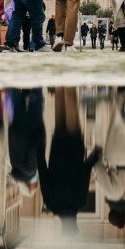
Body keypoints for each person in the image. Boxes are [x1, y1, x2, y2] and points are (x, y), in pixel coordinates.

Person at [38, 87, 101, 232]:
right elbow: (42, 170)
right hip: (57, 148)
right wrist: (41, 147)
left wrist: (95, 155)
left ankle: (68, 79)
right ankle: (59, 82)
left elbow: (84, 173)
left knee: (71, 104)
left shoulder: (80, 202)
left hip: (74, 147)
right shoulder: (50, 202)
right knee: (59, 108)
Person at [95, 87, 125, 228]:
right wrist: (97, 158)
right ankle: (122, 93)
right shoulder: (110, 193)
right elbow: (99, 170)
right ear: (112, 212)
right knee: (117, 122)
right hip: (115, 157)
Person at [7, 88, 45, 195]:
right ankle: (11, 79)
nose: (37, 184)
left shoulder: (31, 170)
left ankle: (37, 79)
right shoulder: (15, 167)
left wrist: (41, 137)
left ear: (29, 185)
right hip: (15, 129)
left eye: (35, 186)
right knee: (16, 100)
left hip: (32, 129)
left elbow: (34, 149)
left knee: (36, 101)